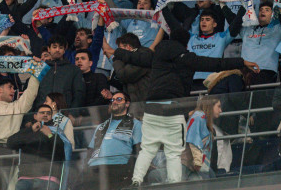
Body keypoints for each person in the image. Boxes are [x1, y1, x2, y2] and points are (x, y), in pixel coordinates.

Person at [115, 14, 259, 186]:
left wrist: (116, 52)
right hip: (173, 109)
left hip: (151, 108)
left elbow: (134, 57)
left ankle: (137, 181)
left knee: (147, 149)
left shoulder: (156, 56)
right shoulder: (188, 58)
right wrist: (240, 62)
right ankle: (175, 185)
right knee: (173, 152)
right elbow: (213, 63)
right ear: (185, 43)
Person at [77, 92, 142, 190]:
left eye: (119, 99)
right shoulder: (101, 126)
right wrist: (85, 170)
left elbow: (138, 148)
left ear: (127, 104)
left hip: (118, 167)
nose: (114, 102)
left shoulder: (135, 123)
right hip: (95, 169)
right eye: (112, 100)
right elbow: (90, 150)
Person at [6, 104, 67, 190]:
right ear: (35, 116)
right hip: (25, 179)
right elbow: (10, 143)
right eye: (42, 113)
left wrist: (49, 135)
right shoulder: (27, 133)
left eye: (48, 113)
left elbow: (61, 152)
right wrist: (30, 130)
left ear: (51, 117)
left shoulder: (56, 133)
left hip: (48, 180)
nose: (45, 115)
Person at [34, 36, 85, 110]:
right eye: (54, 47)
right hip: (42, 113)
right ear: (49, 49)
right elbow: (33, 94)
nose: (57, 50)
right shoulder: (40, 68)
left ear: (64, 50)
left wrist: (73, 114)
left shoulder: (74, 70)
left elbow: (79, 94)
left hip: (65, 114)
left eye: (61, 47)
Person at [182, 96, 222, 180]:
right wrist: (198, 162)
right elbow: (193, 140)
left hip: (196, 164)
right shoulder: (199, 117)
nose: (220, 110)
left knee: (211, 179)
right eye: (218, 106)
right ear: (210, 106)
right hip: (187, 164)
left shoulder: (204, 119)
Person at [110, 34, 151, 104]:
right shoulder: (128, 60)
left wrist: (116, 60)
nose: (119, 53)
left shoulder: (144, 55)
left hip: (144, 103)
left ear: (128, 47)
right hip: (136, 102)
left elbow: (124, 75)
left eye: (120, 48)